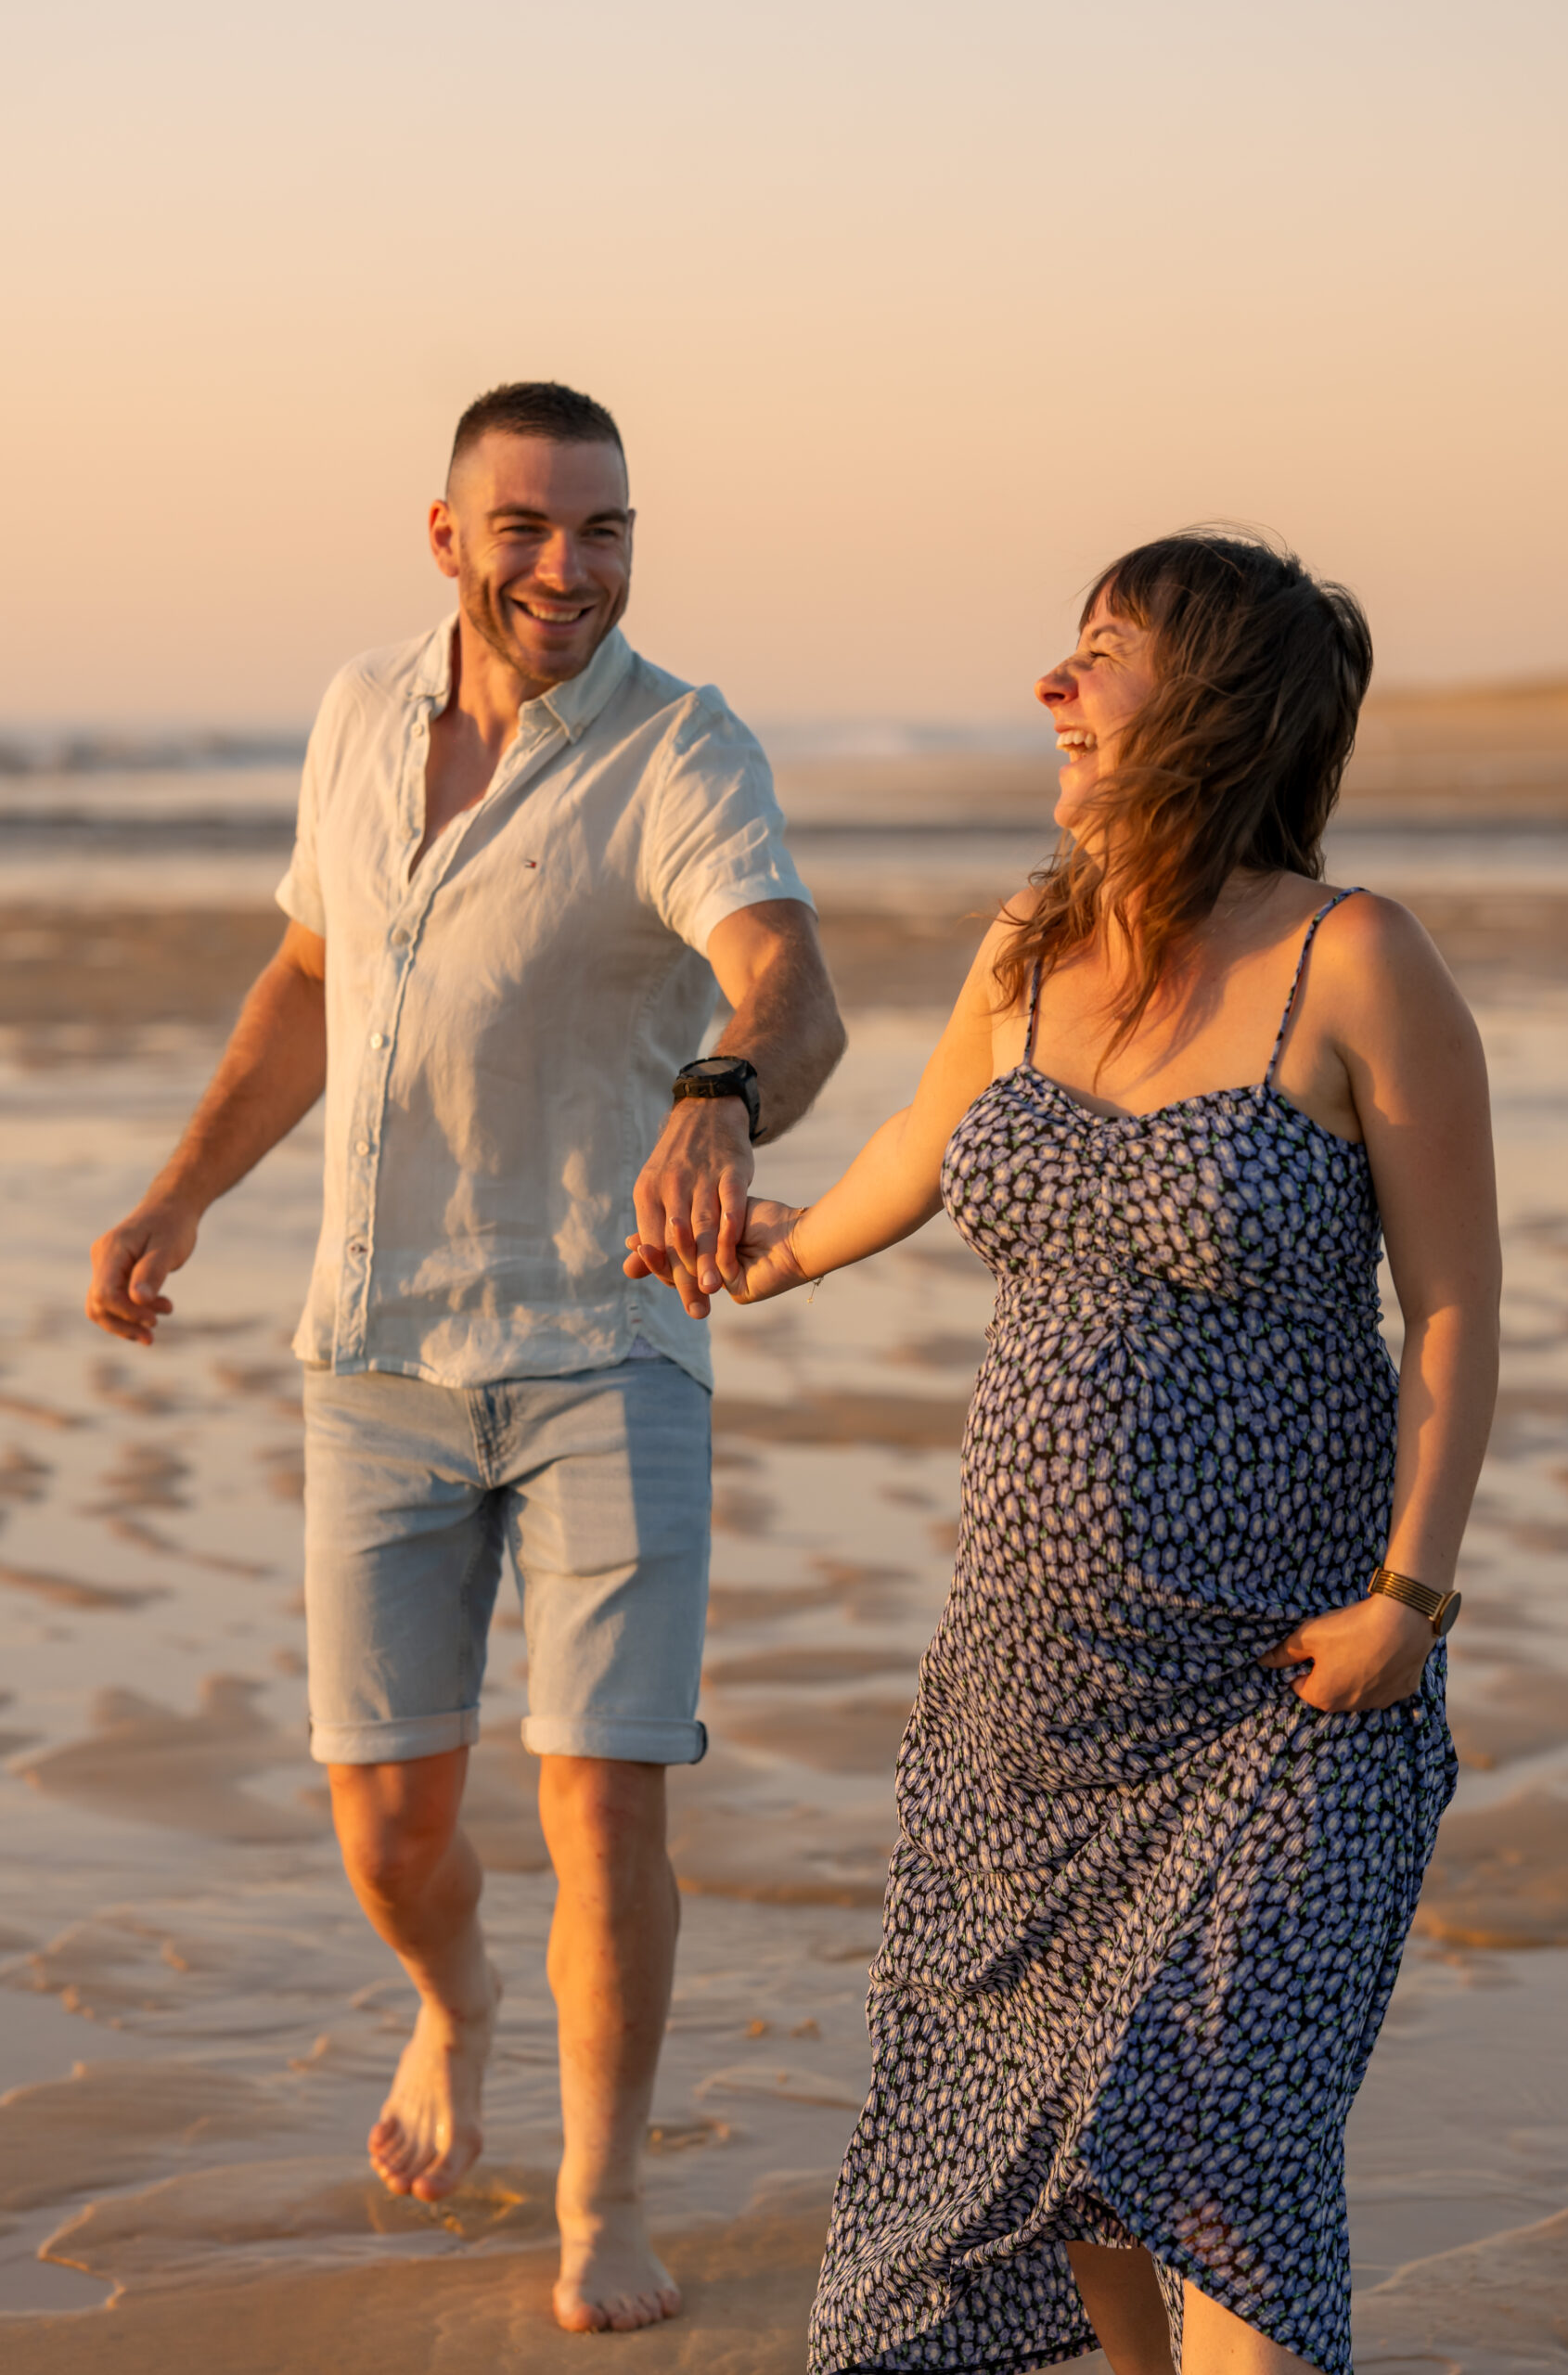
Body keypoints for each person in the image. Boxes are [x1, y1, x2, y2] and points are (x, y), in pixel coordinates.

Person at [628, 532, 1498, 2375]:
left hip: (1281, 1682)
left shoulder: (1353, 962)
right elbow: (914, 1153)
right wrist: (758, 1252)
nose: (1050, 685)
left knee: (1232, 2154)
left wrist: (1411, 1595)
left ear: (1211, 704)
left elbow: (1448, 1306)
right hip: (1022, 1705)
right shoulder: (1031, 948)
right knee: (1051, 2151)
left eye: (1096, 652)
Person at [85, 379, 845, 2336]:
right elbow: (312, 973)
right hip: (374, 1353)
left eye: (602, 529)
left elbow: (789, 983)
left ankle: (601, 2195)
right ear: (444, 537)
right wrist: (182, 1195)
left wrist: (717, 1100)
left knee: (603, 1801)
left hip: (608, 1346)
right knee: (390, 1828)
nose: (566, 567)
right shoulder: (357, 719)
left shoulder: (682, 745)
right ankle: (455, 1997)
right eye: (526, 527)